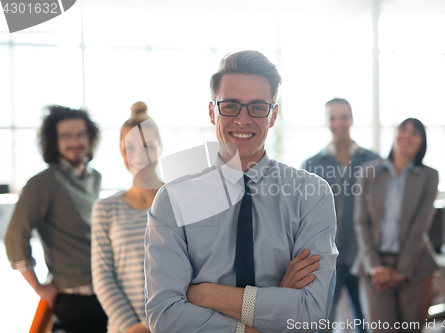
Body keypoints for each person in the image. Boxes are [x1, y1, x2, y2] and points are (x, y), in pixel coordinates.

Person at [145, 50, 338, 333]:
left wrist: (206, 294)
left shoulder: (311, 194)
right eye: (231, 106)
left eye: (258, 107)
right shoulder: (173, 200)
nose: (243, 119)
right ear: (212, 112)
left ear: (272, 116)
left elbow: (311, 312)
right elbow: (165, 316)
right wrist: (267, 311)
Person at [4, 105, 107, 333]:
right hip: (76, 295)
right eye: (66, 136)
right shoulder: (44, 182)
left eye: (81, 135)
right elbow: (14, 237)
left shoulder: (94, 177)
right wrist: (38, 287)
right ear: (53, 142)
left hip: (105, 287)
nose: (75, 142)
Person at [353, 118, 439, 333]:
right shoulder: (368, 172)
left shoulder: (429, 176)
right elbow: (361, 223)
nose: (407, 135)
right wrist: (374, 266)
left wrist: (402, 271)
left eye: (415, 132)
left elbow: (420, 226)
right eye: (403, 129)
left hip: (415, 267)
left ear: (422, 143)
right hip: (375, 266)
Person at [302, 98, 378, 333]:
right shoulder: (312, 164)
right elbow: (304, 216)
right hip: (326, 261)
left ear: (351, 119)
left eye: (343, 116)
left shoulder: (374, 161)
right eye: (333, 117)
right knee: (321, 324)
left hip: (362, 259)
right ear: (327, 121)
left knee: (366, 323)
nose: (338, 123)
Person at [92, 101, 162, 333]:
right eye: (129, 147)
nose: (138, 155)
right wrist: (133, 327)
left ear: (160, 147)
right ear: (121, 152)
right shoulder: (105, 209)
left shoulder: (180, 201)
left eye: (146, 146)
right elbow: (103, 277)